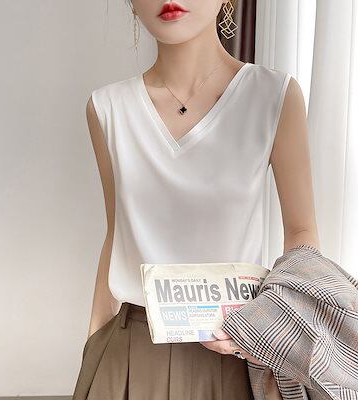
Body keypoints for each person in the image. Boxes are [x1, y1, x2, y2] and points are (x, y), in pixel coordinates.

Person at [72, 1, 320, 399]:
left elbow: (302, 232)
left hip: (239, 349)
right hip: (132, 350)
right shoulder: (107, 108)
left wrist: (273, 329)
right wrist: (93, 345)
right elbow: (117, 230)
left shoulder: (273, 95)